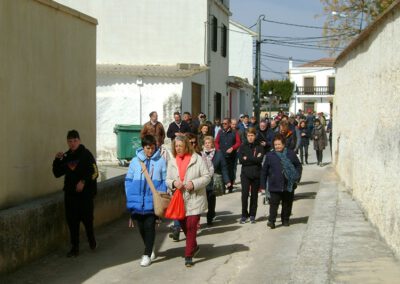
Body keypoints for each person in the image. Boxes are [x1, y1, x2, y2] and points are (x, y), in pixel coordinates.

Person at [166, 135, 211, 267]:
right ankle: (194, 246)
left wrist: (194, 183)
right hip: (179, 200)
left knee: (191, 225)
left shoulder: (196, 159)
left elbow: (207, 176)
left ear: (186, 145)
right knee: (184, 225)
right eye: (176, 146)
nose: (178, 148)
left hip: (195, 198)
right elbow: (167, 180)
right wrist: (174, 183)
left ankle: (188, 255)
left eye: (180, 145)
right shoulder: (172, 161)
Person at [52, 130, 98, 257]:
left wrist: (83, 181)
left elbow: (95, 173)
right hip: (70, 195)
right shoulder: (66, 157)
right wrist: (56, 160)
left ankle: (91, 239)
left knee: (87, 220)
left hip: (86, 195)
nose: (72, 143)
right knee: (72, 222)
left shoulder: (86, 154)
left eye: (75, 141)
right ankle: (75, 248)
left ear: (79, 140)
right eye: (70, 141)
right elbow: (57, 173)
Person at [124, 135, 167, 267]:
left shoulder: (160, 161)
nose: (150, 151)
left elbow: (164, 180)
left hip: (152, 200)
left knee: (149, 226)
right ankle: (150, 246)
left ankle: (147, 254)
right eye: (148, 148)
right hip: (136, 201)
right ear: (143, 147)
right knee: (142, 228)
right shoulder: (135, 162)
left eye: (153, 148)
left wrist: (160, 195)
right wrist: (129, 196)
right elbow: (128, 180)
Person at [260, 134, 302, 229]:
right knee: (273, 204)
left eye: (279, 144)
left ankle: (285, 219)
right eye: (275, 145)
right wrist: (262, 185)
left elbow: (298, 165)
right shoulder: (270, 155)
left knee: (287, 203)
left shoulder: (290, 154)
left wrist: (297, 177)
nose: (277, 146)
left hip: (289, 183)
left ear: (284, 144)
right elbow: (264, 171)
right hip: (274, 184)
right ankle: (271, 220)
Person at [201, 136, 231, 225]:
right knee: (201, 200)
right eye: (206, 143)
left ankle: (210, 216)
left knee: (211, 200)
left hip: (213, 181)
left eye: (209, 143)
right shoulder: (200, 154)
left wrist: (227, 180)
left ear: (212, 143)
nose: (207, 145)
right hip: (202, 181)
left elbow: (224, 168)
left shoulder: (218, 153)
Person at [238, 128, 264, 224]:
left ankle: (252, 215)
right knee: (244, 195)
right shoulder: (242, 146)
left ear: (255, 136)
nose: (250, 137)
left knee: (254, 195)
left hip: (256, 173)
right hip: (245, 174)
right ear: (246, 136)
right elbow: (241, 160)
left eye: (252, 135)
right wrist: (253, 158)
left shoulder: (259, 146)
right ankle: (244, 215)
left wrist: (247, 158)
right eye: (248, 135)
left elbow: (259, 160)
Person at [215, 118, 241, 193]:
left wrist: (232, 148)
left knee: (231, 171)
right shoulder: (220, 132)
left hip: (232, 155)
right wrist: (218, 149)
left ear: (229, 124)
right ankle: (223, 186)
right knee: (222, 170)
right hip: (222, 154)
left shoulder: (234, 132)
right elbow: (216, 142)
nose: (224, 125)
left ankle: (230, 186)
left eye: (225, 123)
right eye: (223, 123)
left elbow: (238, 142)